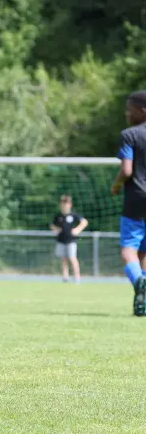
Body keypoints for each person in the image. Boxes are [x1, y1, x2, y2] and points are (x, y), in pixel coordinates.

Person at [111, 90, 146, 316]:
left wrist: (115, 185)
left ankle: (139, 282)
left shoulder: (129, 135)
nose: (126, 114)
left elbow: (126, 170)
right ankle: (143, 303)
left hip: (136, 199)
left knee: (128, 250)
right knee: (144, 253)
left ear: (142, 111)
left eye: (129, 110)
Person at [49, 195, 88, 284]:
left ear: (70, 205)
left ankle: (77, 278)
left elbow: (84, 222)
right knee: (63, 259)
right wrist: (56, 229)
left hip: (71, 241)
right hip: (61, 240)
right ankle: (65, 277)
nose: (65, 205)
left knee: (72, 258)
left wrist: (77, 229)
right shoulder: (58, 216)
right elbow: (52, 225)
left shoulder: (73, 215)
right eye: (63, 203)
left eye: (67, 203)